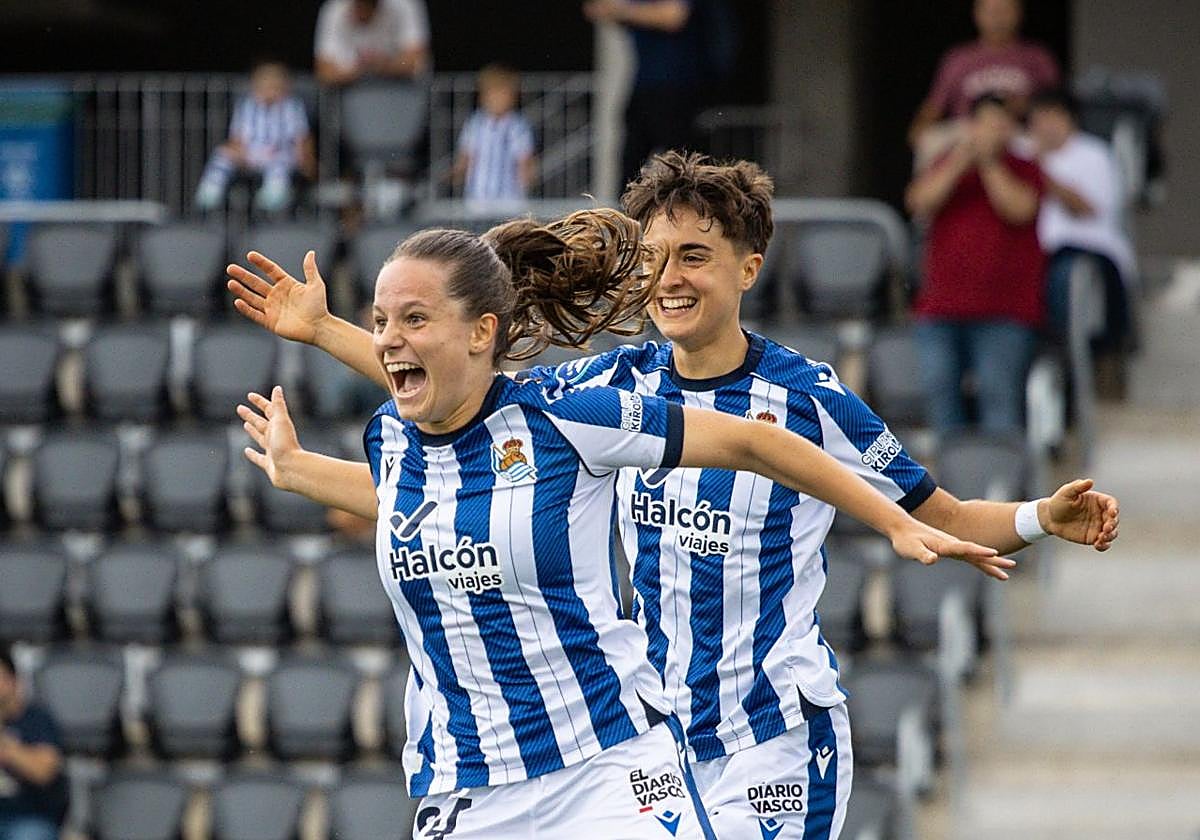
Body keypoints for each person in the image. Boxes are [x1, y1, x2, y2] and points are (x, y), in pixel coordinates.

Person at [227, 157, 1119, 837]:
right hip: (655, 729)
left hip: (770, 735)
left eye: (695, 256)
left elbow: (949, 515)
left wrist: (1039, 518)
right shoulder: (616, 384)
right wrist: (325, 343)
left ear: (749, 269)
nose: (671, 279)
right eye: (654, 259)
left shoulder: (806, 398)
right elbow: (472, 397)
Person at [907, 93, 1046, 437]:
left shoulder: (1024, 167)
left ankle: (1003, 485)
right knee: (940, 393)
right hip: (941, 309)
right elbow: (919, 202)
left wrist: (988, 163)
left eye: (999, 124)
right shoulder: (948, 161)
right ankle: (947, 484)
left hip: (1004, 311)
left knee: (998, 397)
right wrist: (959, 159)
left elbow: (1018, 209)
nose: (990, 132)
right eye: (982, 123)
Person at [1028, 87, 1136, 376]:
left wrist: (1038, 170)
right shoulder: (1024, 150)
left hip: (1085, 249)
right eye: (1038, 118)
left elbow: (1089, 209)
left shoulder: (1093, 153)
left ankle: (1070, 354)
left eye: (1052, 116)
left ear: (1069, 118)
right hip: (1033, 250)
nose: (1044, 126)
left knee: (1064, 276)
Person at [908, 0, 1060, 170]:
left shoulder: (1037, 56)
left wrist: (1021, 106)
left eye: (1004, 10)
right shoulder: (959, 58)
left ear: (1019, 13)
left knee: (1051, 147)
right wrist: (920, 128)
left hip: (1016, 130)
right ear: (976, 14)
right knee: (929, 140)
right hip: (967, 129)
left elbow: (1055, 105)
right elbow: (935, 105)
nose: (997, 17)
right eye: (991, 11)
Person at [583, 0, 708, 186]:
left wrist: (623, 10)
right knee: (630, 170)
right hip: (643, 88)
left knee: (684, 166)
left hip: (675, 88)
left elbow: (674, 17)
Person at [195, 60, 314, 213]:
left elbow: (300, 136)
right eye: (266, 85)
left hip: (280, 152)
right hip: (251, 153)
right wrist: (237, 152)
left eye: (275, 85)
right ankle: (210, 192)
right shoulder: (247, 106)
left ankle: (273, 199)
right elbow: (238, 136)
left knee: (279, 164)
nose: (270, 90)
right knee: (222, 155)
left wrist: (306, 159)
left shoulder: (292, 107)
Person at [0, 649, 67, 840]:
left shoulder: (36, 720)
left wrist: (8, 748)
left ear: (13, 680)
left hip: (30, 818)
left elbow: (44, 772)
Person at [450, 64, 536, 203]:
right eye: (494, 94)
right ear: (483, 96)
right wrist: (457, 172)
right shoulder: (475, 123)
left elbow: (524, 158)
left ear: (512, 97)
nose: (498, 99)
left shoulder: (518, 126)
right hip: (478, 196)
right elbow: (467, 155)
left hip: (509, 198)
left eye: (503, 94)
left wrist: (526, 179)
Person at [314, 0, 430, 87]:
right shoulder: (335, 9)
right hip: (351, 97)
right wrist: (361, 68)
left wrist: (382, 65)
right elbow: (325, 72)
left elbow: (415, 61)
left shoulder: (404, 4)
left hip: (403, 92)